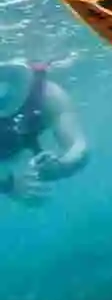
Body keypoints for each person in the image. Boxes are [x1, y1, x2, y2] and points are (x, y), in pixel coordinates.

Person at [0, 61, 89, 204]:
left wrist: (62, 165)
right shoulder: (48, 94)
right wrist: (7, 186)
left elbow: (78, 145)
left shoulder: (49, 95)